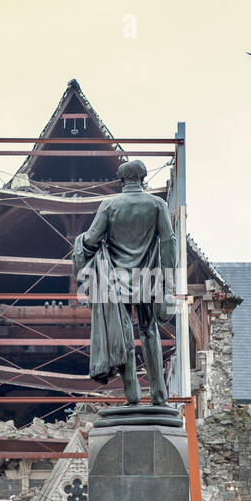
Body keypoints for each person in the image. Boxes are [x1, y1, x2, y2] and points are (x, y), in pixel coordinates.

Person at [73, 158, 176, 405]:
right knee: (150, 331)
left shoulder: (109, 206)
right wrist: (168, 278)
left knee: (124, 332)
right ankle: (159, 395)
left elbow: (92, 240)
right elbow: (168, 242)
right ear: (143, 179)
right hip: (149, 276)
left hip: (116, 280)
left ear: (121, 181)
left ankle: (132, 394)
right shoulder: (157, 205)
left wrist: (79, 242)